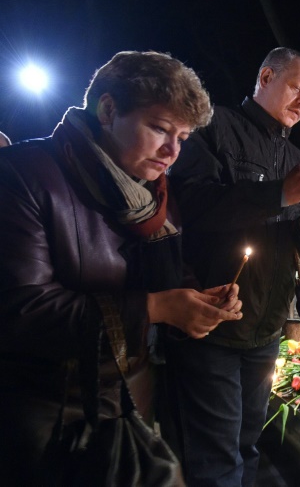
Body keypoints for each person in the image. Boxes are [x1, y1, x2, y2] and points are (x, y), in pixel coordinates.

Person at [0, 51, 243, 485]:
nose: (172, 152)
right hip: (44, 417)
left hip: (131, 403)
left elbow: (170, 278)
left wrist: (199, 305)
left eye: (184, 138)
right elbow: (23, 311)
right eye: (160, 129)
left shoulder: (155, 197)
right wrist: (156, 308)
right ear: (109, 110)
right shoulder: (23, 175)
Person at [166, 47, 300, 486]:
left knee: (247, 446)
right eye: (297, 87)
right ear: (266, 75)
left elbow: (290, 247)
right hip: (214, 323)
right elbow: (194, 206)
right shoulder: (213, 128)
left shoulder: (297, 159)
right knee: (216, 457)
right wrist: (279, 193)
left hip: (265, 327)